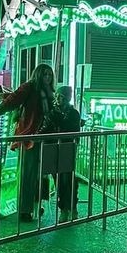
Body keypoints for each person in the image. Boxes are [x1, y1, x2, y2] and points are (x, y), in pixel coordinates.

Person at [0, 64, 55, 223]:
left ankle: (35, 205)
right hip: (30, 136)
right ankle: (25, 209)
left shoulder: (49, 92)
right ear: (38, 75)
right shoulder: (29, 87)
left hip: (44, 137)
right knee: (28, 174)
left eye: (49, 75)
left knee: (42, 175)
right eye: (45, 74)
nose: (47, 77)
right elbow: (12, 100)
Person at [50, 85, 83, 222]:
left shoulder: (73, 113)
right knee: (58, 180)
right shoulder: (52, 111)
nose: (58, 99)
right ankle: (63, 209)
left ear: (67, 98)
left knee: (68, 179)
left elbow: (71, 129)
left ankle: (72, 207)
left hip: (67, 148)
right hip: (54, 149)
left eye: (61, 96)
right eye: (57, 96)